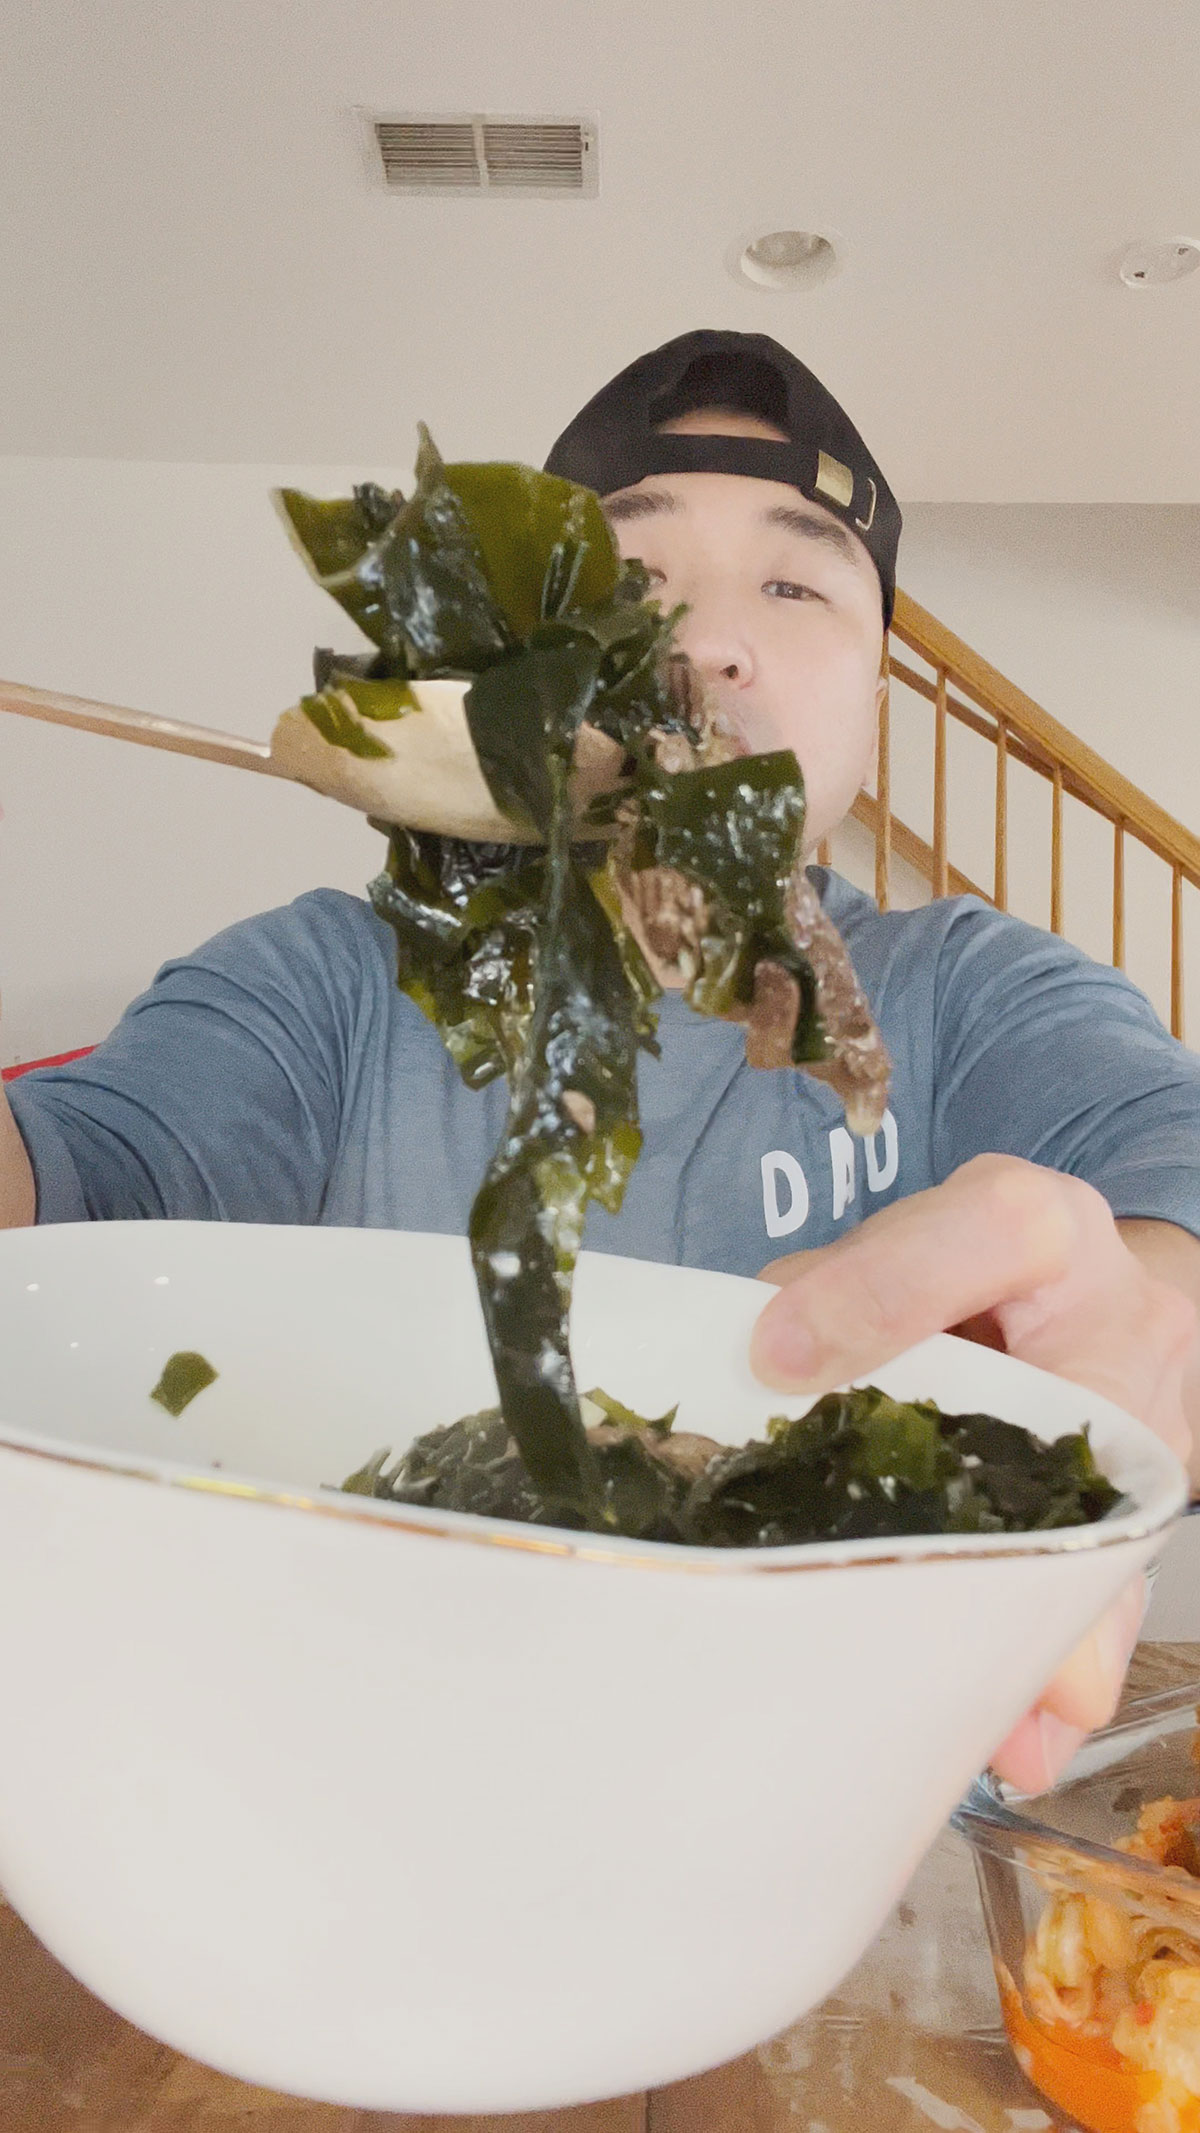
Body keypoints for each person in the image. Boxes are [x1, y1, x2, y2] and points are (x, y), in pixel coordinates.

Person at [3, 330, 1198, 1794]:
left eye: (796, 580)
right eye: (631, 584)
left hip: (867, 1867)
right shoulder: (330, 980)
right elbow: (89, 1180)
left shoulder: (969, 992)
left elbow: (1164, 1174)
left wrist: (1151, 1322)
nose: (704, 640)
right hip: (359, 1804)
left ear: (874, 710)